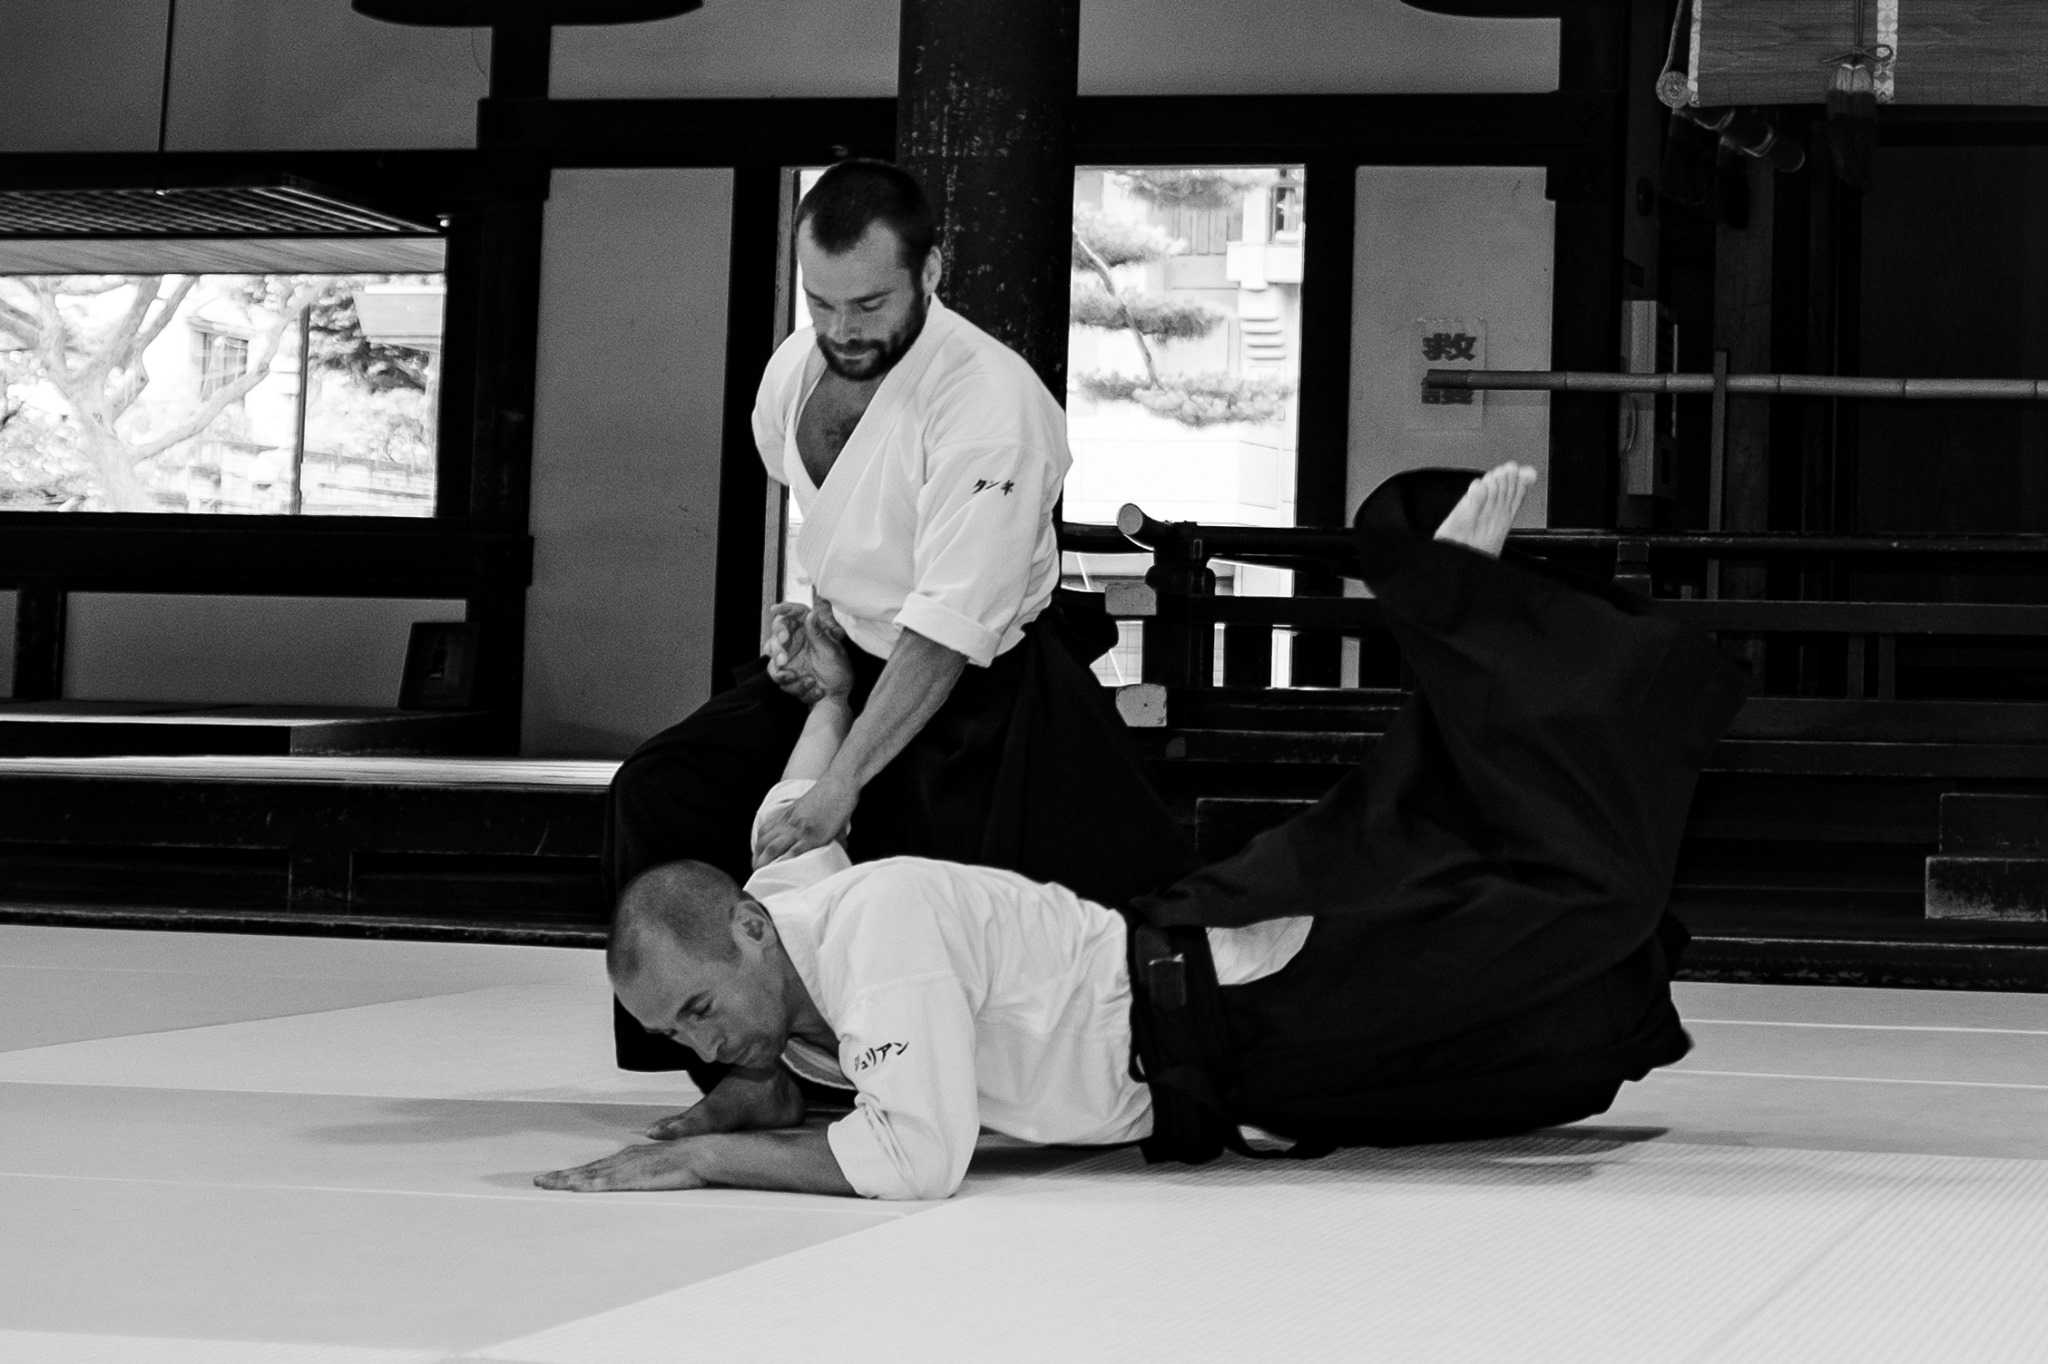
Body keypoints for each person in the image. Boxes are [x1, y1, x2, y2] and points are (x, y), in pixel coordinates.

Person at [537, 463, 1749, 1199]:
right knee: (1545, 1026)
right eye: (674, 1031)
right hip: (1221, 1047)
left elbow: (910, 1163)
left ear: (750, 930)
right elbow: (807, 786)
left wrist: (699, 1160)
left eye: (697, 1009)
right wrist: (833, 683)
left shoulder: (879, 929)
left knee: (1570, 898)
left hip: (1241, 1000)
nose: (700, 1042)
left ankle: (1459, 607)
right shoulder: (781, 880)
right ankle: (1457, 626)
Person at [603, 159, 1195, 1083]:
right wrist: (813, 623)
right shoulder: (794, 374)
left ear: (932, 271)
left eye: (870, 304)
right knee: (662, 787)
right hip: (854, 660)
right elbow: (845, 530)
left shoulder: (989, 405)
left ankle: (914, 1081)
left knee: (949, 886)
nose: (843, 330)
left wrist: (838, 782)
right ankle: (737, 1071)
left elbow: (948, 630)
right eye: (821, 302)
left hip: (978, 686)